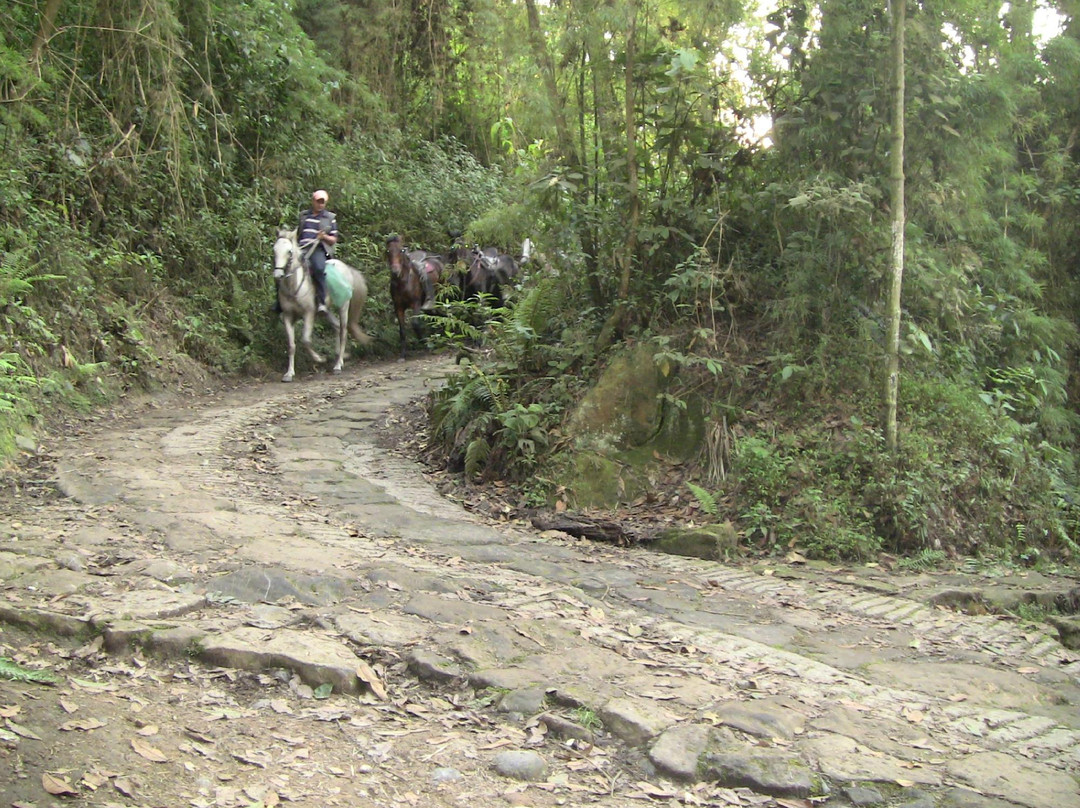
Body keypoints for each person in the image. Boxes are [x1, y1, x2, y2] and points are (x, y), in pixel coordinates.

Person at [297, 189, 340, 326]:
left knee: (319, 267)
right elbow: (299, 233)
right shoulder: (304, 215)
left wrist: (324, 237)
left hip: (317, 249)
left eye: (323, 202)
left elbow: (333, 239)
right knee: (284, 266)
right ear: (313, 201)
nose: (320, 205)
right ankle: (280, 302)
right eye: (318, 202)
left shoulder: (329, 218)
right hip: (301, 248)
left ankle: (321, 302)